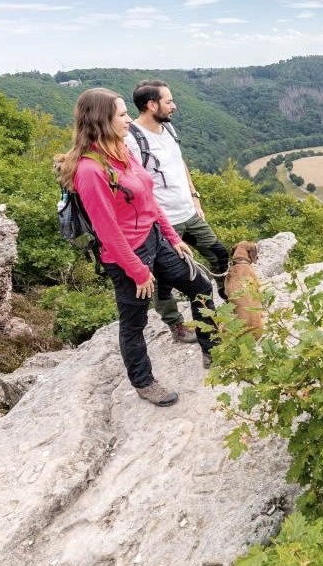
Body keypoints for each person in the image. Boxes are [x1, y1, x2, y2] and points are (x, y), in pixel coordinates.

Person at [56, 88, 217, 407]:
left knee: (199, 285)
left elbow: (148, 199)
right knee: (134, 322)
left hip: (155, 239)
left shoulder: (120, 151)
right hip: (126, 255)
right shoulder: (90, 171)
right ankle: (143, 382)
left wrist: (173, 238)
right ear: (103, 121)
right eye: (121, 115)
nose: (129, 119)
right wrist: (138, 271)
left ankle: (212, 348)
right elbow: (107, 230)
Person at [127, 80, 229, 343]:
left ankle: (228, 298)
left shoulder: (168, 129)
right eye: (168, 101)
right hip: (162, 222)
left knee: (218, 253)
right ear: (152, 105)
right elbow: (136, 184)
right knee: (165, 279)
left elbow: (179, 163)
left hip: (187, 213)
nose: (174, 105)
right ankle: (176, 324)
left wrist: (194, 196)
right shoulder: (132, 139)